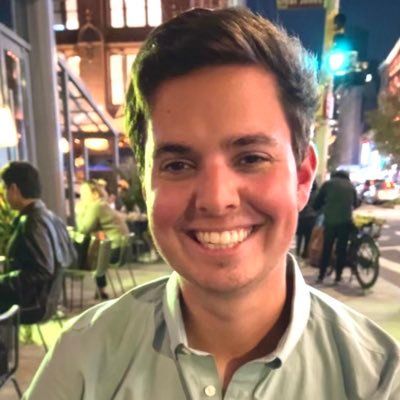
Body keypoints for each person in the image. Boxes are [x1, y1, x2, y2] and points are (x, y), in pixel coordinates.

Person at [24, 8, 399, 399]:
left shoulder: (377, 378)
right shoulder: (81, 361)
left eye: (251, 158)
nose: (216, 200)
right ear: (146, 184)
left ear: (302, 177)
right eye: (178, 165)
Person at [0, 162, 75, 314]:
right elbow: (70, 256)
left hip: (30, 303)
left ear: (13, 189)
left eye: (5, 189)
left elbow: (42, 271)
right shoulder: (50, 217)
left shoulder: (32, 222)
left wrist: (3, 281)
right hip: (46, 300)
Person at [75, 179, 129, 299]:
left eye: (84, 193)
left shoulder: (96, 206)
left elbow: (84, 229)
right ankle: (100, 290)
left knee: (94, 254)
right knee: (97, 249)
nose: (82, 197)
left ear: (95, 194)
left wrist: (79, 212)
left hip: (115, 251)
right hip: (122, 248)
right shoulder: (103, 204)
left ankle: (76, 271)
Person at [313, 170, 360, 284]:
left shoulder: (328, 184)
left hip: (330, 222)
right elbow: (356, 203)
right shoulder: (351, 185)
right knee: (341, 250)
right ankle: (338, 277)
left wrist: (320, 207)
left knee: (327, 249)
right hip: (345, 223)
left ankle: (321, 276)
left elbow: (317, 202)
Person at [295, 181, 318, 260]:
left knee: (299, 236)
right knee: (308, 237)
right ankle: (305, 253)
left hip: (301, 216)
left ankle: (298, 251)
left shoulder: (303, 192)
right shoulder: (316, 194)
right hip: (311, 217)